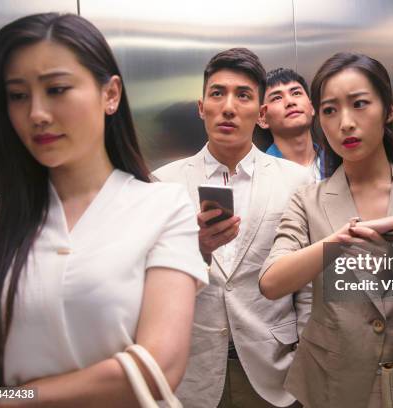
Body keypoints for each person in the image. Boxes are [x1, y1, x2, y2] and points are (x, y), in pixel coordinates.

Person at [0, 13, 207, 406]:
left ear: (110, 95)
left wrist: (13, 399)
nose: (36, 113)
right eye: (18, 95)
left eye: (56, 89)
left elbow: (159, 366)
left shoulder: (162, 205)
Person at [259, 52, 393, 408]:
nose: (345, 123)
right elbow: (272, 281)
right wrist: (342, 239)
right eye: (330, 110)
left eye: (360, 104)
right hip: (334, 386)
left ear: (390, 110)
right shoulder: (307, 201)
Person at [153, 48, 311, 408]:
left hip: (276, 374)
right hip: (190, 375)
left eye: (242, 95)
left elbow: (308, 284)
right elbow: (148, 283)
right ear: (201, 106)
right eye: (217, 93)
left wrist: (305, 356)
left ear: (260, 113)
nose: (228, 107)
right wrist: (198, 250)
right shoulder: (161, 184)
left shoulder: (297, 181)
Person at [259, 68, 324, 181]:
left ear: (312, 107)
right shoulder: (257, 174)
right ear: (262, 118)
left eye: (296, 93)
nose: (290, 102)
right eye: (277, 98)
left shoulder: (339, 165)